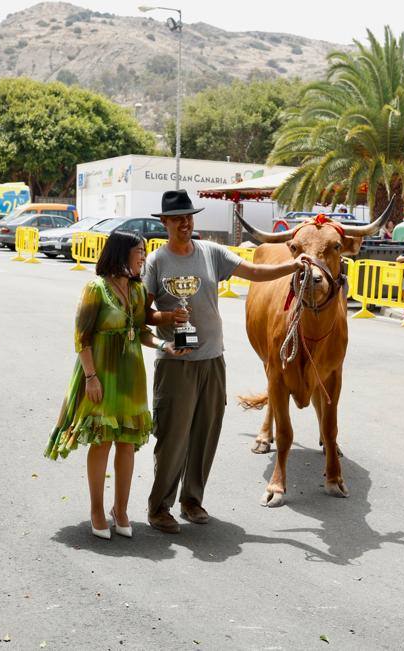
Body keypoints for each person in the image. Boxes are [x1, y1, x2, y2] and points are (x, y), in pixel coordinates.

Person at [142, 189, 309, 534]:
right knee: (172, 437)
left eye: (189, 217)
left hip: (212, 360)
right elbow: (143, 313)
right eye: (178, 219)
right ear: (166, 223)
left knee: (205, 434)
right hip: (176, 362)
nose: (185, 224)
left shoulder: (211, 253)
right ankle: (159, 507)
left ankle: (192, 501)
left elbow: (253, 272)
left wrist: (292, 265)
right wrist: (168, 318)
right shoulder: (157, 262)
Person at [45, 231, 184, 539]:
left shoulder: (136, 291)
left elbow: (140, 331)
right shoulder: (95, 289)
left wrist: (164, 346)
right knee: (102, 439)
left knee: (127, 442)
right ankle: (96, 508)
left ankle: (120, 509)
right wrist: (91, 377)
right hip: (101, 372)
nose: (143, 257)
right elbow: (82, 338)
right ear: (122, 253)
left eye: (145, 251)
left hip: (131, 373)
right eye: (139, 251)